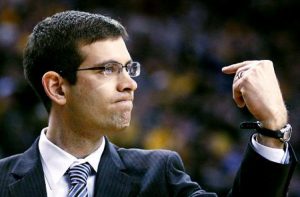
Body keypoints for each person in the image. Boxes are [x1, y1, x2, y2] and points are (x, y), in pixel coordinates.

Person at [0, 10, 297, 197]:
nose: (130, 83)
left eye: (129, 68)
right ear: (57, 87)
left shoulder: (158, 175)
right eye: (108, 69)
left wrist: (272, 129)